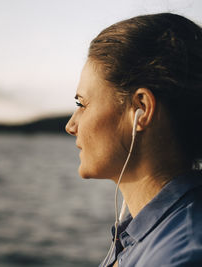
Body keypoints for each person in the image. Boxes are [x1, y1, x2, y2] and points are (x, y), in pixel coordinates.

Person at [65, 13, 202, 266]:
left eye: (82, 104)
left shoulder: (181, 256)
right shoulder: (139, 233)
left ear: (141, 107)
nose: (71, 125)